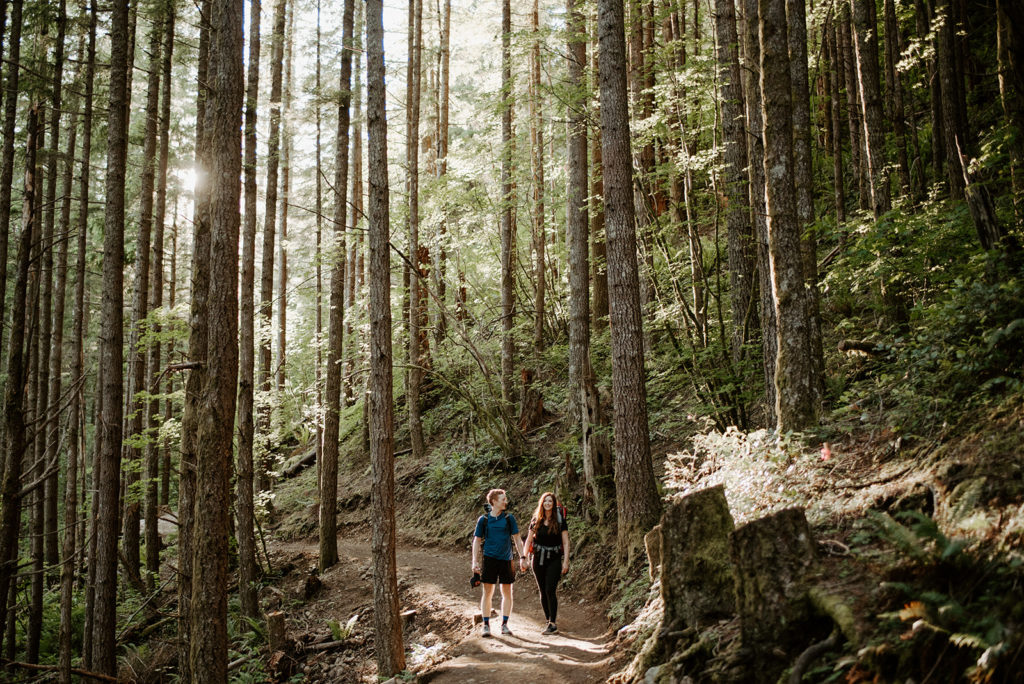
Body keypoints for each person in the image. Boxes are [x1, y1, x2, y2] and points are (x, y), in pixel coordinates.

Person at [472, 489, 527, 637]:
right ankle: (486, 625)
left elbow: (517, 538)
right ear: (494, 501)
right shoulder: (483, 520)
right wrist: (474, 561)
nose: (506, 501)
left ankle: (504, 624)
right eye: (503, 499)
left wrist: (523, 557)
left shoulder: (509, 518)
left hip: (506, 559)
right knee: (487, 592)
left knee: (507, 592)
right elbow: (477, 541)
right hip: (489, 559)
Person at [523, 491, 569, 634]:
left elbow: (566, 542)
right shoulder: (536, 520)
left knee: (550, 590)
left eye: (550, 501)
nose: (548, 503)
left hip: (554, 558)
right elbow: (529, 540)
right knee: (542, 591)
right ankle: (548, 619)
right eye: (545, 501)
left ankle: (553, 623)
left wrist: (566, 561)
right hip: (538, 558)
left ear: (554, 504)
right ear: (541, 503)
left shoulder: (560, 520)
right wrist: (523, 558)